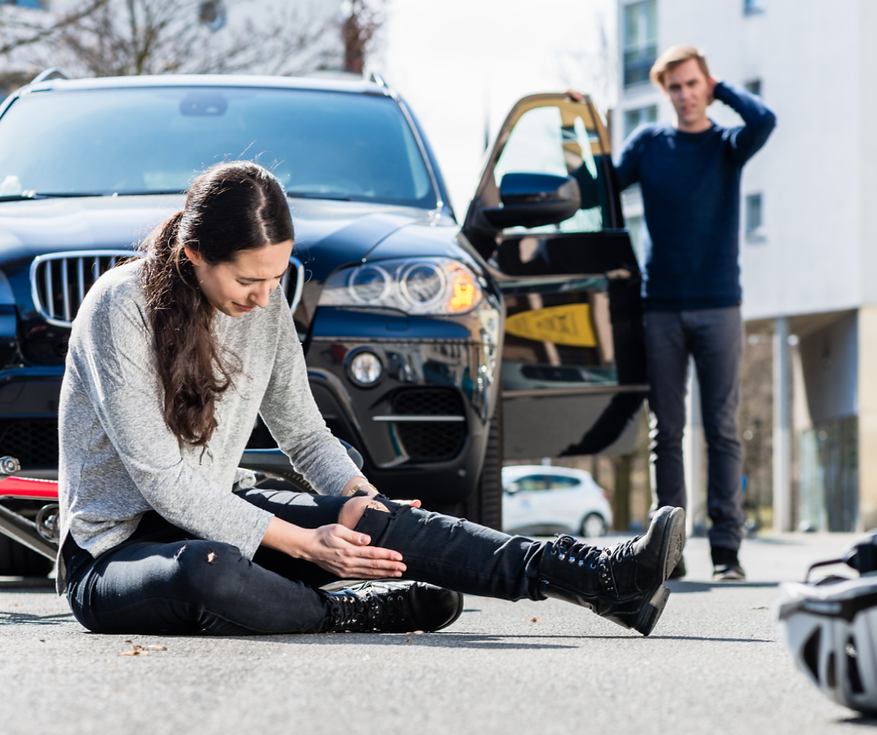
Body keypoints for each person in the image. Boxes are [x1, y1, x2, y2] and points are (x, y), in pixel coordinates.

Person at [57, 160, 686, 637]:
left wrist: (367, 503)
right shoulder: (122, 305)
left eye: (276, 278)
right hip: (113, 554)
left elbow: (304, 434)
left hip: (219, 510)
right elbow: (163, 483)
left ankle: (600, 579)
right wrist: (306, 545)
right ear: (193, 254)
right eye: (249, 279)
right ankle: (341, 610)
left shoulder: (265, 301)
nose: (262, 295)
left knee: (368, 517)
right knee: (208, 570)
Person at [615, 46, 776, 582]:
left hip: (719, 305)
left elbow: (765, 119)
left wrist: (722, 85)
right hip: (660, 305)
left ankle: (727, 551)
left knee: (723, 429)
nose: (684, 96)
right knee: (667, 432)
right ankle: (670, 549)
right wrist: (581, 120)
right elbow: (604, 183)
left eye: (692, 84)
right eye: (675, 88)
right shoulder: (650, 145)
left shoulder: (728, 145)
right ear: (666, 94)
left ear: (705, 84)